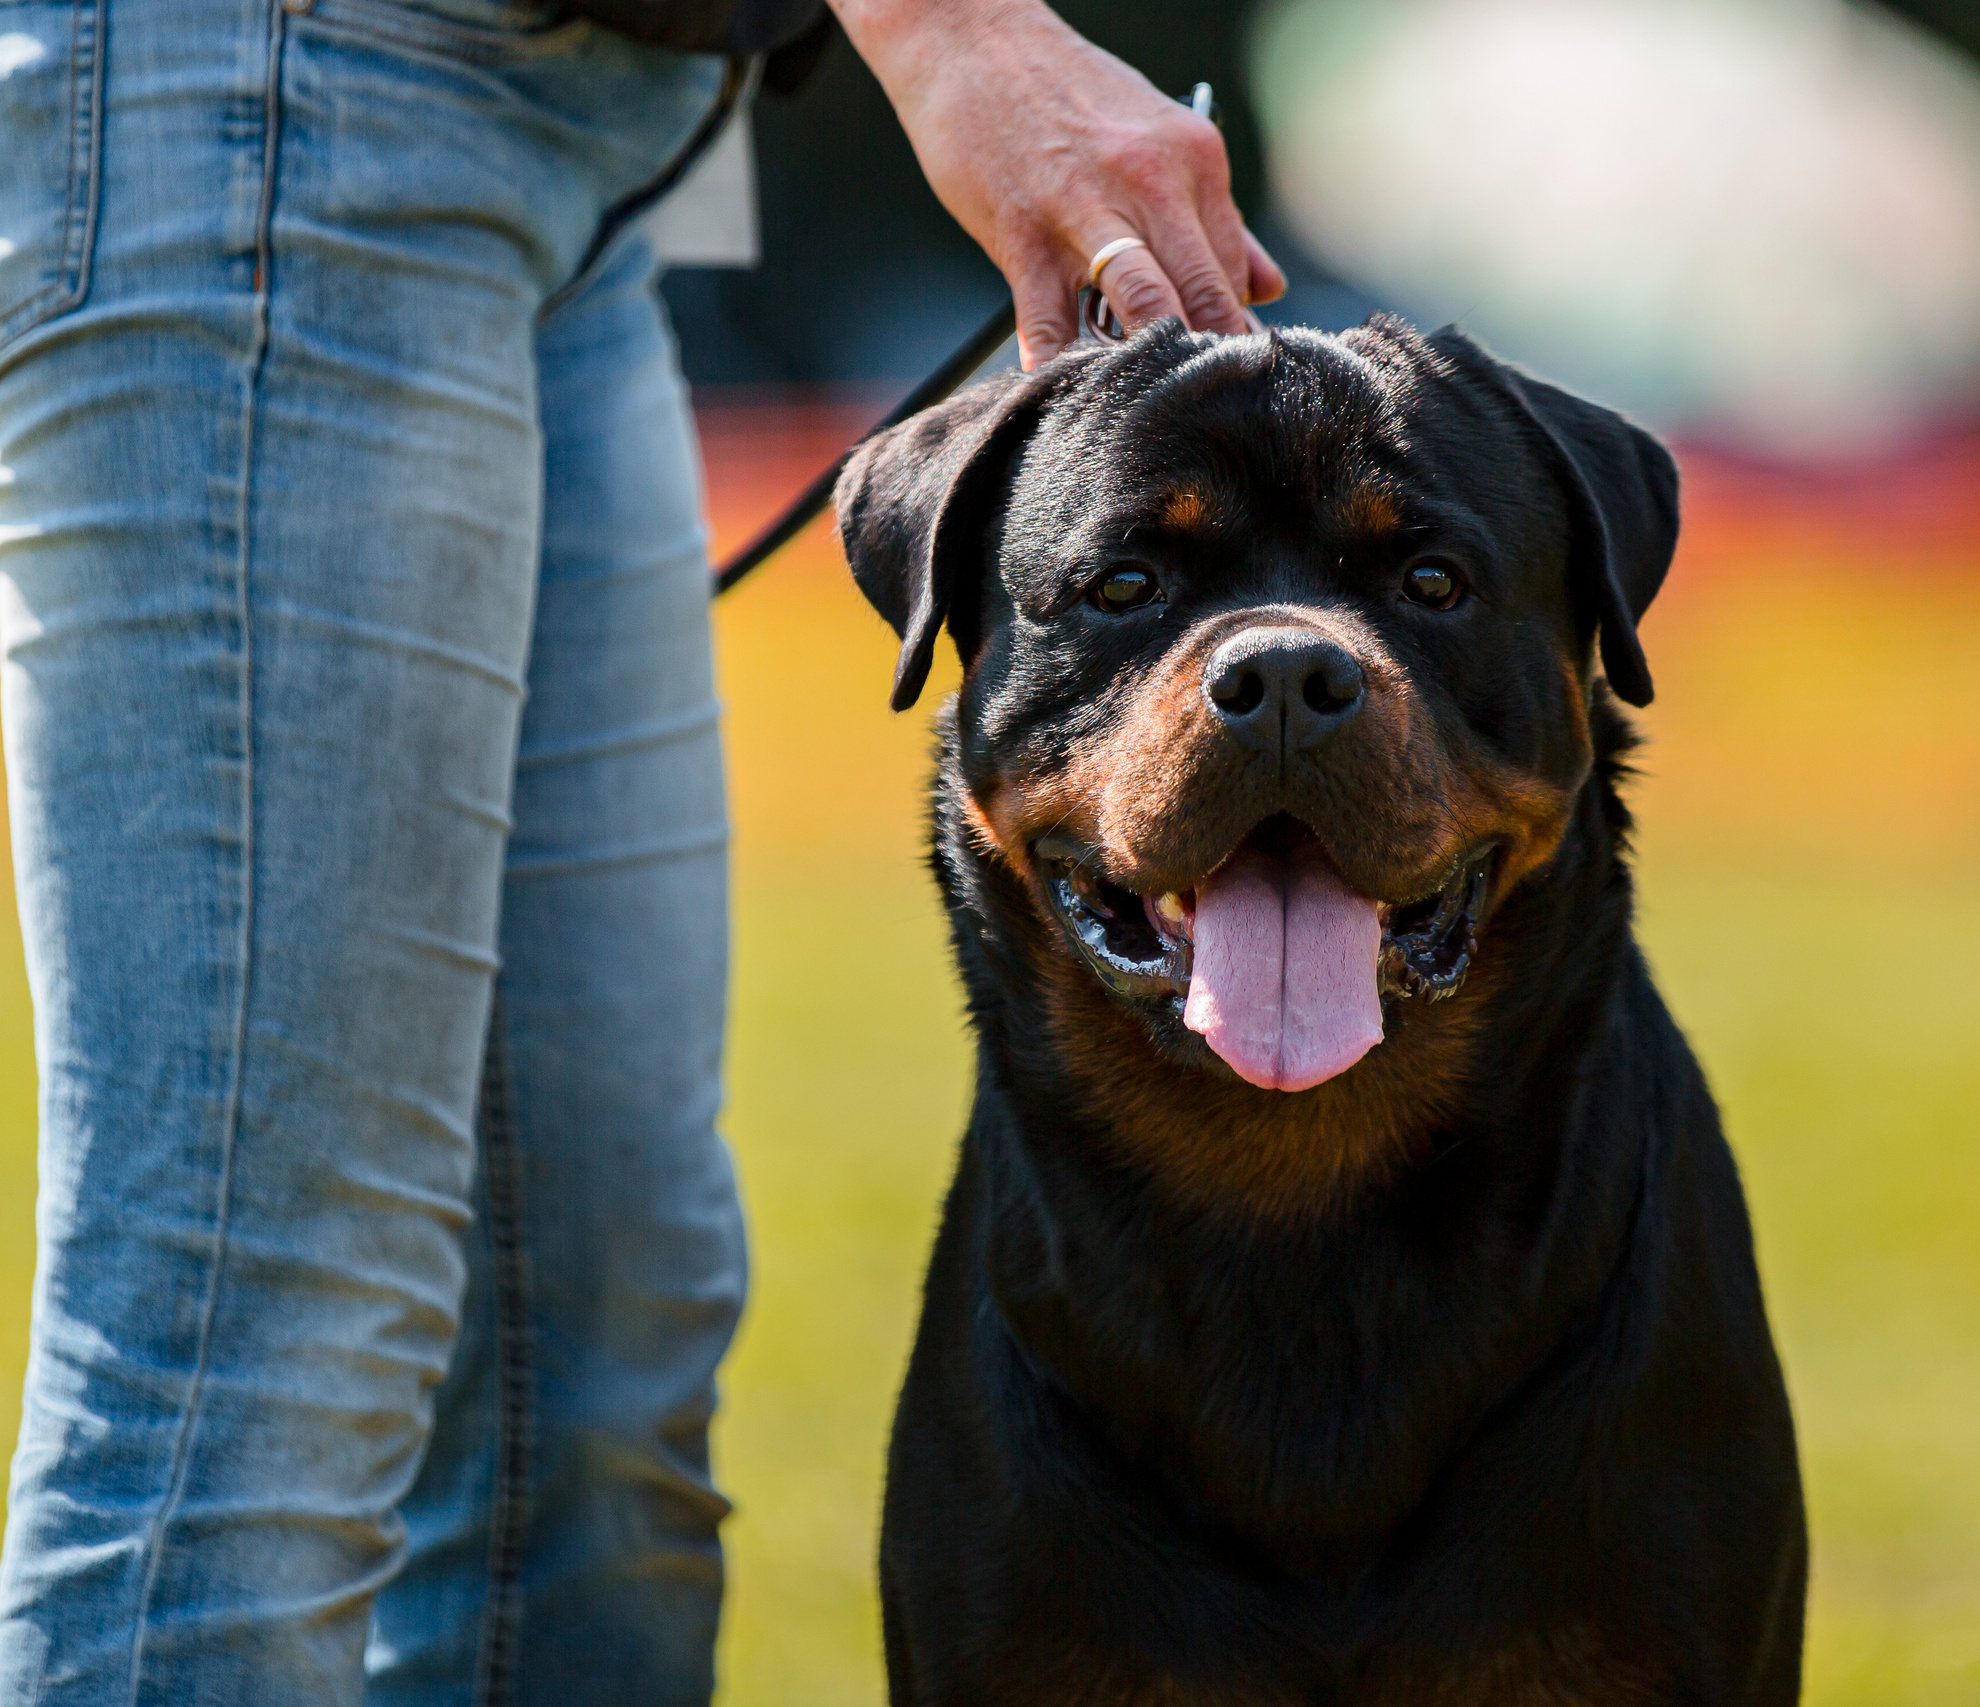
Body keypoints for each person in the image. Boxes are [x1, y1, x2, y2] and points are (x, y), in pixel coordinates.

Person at [0, 0, 1279, 1696]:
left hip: (602, 154)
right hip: (267, 97)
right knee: (261, 1377)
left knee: (596, 1392)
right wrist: (959, 33)